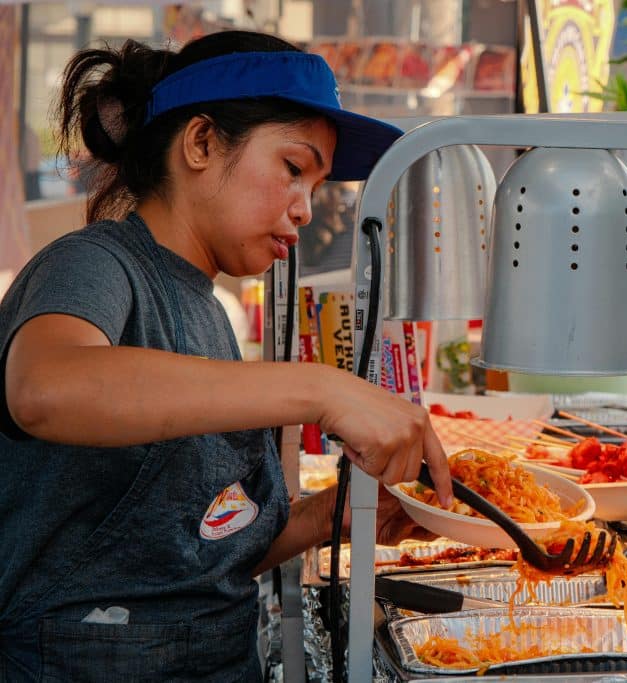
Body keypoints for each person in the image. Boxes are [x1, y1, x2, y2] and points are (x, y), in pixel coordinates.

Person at [0, 31, 454, 681]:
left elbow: (203, 551)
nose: (306, 209)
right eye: (293, 168)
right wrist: (322, 389)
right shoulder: (94, 264)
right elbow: (46, 388)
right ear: (202, 143)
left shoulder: (210, 315)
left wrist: (335, 513)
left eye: (317, 186)